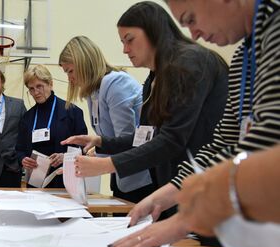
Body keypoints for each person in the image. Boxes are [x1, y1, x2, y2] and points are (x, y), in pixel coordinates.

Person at [111, 0, 280, 247]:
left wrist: (186, 219)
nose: (194, 33)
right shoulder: (243, 56)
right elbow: (225, 143)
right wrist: (172, 190)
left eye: (191, 19)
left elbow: (268, 140)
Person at [67, 2, 228, 222]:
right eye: (122, 42)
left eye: (129, 39)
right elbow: (145, 137)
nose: (125, 49)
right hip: (172, 188)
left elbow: (172, 139)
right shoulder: (153, 79)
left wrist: (106, 164)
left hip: (201, 189)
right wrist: (101, 141)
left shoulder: (189, 62)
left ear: (154, 31)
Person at [58, 35, 154, 202]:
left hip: (142, 178)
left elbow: (126, 140)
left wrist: (93, 160)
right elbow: (111, 141)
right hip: (121, 176)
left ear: (84, 63)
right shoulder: (93, 92)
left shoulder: (115, 83)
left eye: (70, 71)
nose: (70, 79)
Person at [16, 65, 87, 188]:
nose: (36, 92)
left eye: (39, 86)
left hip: (65, 180)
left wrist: (65, 157)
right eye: (31, 89)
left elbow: (84, 147)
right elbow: (19, 149)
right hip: (35, 181)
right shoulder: (28, 117)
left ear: (50, 84)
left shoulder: (72, 112)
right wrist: (23, 159)